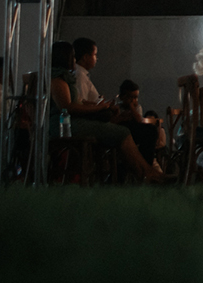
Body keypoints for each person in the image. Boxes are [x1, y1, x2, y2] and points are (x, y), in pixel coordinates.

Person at [48, 41, 165, 182]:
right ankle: (145, 174)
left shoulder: (65, 78)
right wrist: (100, 107)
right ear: (64, 57)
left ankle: (146, 172)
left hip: (73, 122)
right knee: (122, 132)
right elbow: (68, 107)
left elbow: (79, 101)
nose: (74, 59)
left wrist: (103, 106)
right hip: (66, 125)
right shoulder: (57, 80)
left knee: (123, 131)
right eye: (72, 56)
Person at [114, 79, 160, 166]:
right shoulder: (117, 107)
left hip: (133, 134)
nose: (134, 101)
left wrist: (132, 108)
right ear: (122, 97)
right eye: (131, 97)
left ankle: (146, 164)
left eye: (136, 97)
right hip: (122, 133)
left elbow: (139, 120)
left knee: (151, 131)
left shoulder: (137, 108)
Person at [72, 37, 102, 105]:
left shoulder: (81, 74)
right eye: (94, 55)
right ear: (85, 57)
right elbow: (82, 103)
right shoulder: (79, 75)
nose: (96, 58)